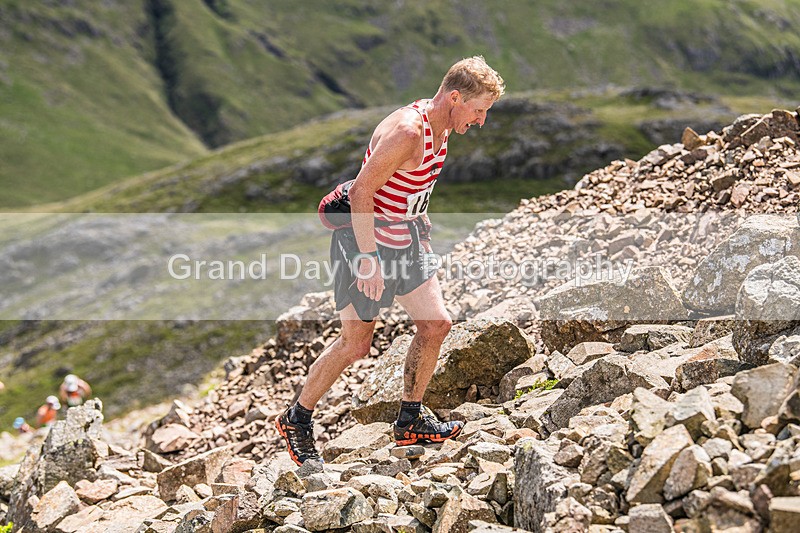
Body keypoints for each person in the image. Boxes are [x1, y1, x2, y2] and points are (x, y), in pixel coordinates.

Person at [276, 56, 505, 465]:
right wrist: (367, 260)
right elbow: (363, 193)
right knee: (356, 344)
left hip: (406, 239)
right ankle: (297, 417)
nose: (482, 121)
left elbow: (407, 186)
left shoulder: (444, 125)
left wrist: (421, 221)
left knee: (436, 325)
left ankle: (410, 419)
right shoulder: (408, 131)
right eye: (479, 110)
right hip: (363, 243)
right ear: (455, 97)